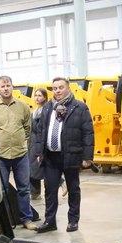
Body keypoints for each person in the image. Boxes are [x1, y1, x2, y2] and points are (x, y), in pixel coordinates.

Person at [33, 76, 94, 233]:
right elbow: (40, 131)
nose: (58, 91)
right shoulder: (47, 108)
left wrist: (87, 157)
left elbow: (88, 132)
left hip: (71, 155)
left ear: (68, 88)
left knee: (73, 189)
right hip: (50, 156)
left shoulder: (79, 107)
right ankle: (50, 221)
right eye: (55, 88)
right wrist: (39, 152)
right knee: (50, 190)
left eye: (61, 87)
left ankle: (73, 221)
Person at [0, 75, 36, 231]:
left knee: (24, 189)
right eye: (3, 86)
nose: (6, 88)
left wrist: (19, 139)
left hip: (20, 154)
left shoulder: (23, 106)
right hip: (0, 155)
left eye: (8, 85)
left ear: (12, 87)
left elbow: (28, 127)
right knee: (1, 191)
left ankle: (26, 219)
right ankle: (2, 222)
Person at [28, 87, 49, 199]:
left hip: (41, 142)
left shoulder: (47, 111)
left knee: (43, 168)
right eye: (35, 95)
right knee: (31, 168)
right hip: (32, 143)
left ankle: (60, 182)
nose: (37, 98)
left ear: (45, 97)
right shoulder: (34, 112)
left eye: (39, 95)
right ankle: (35, 193)